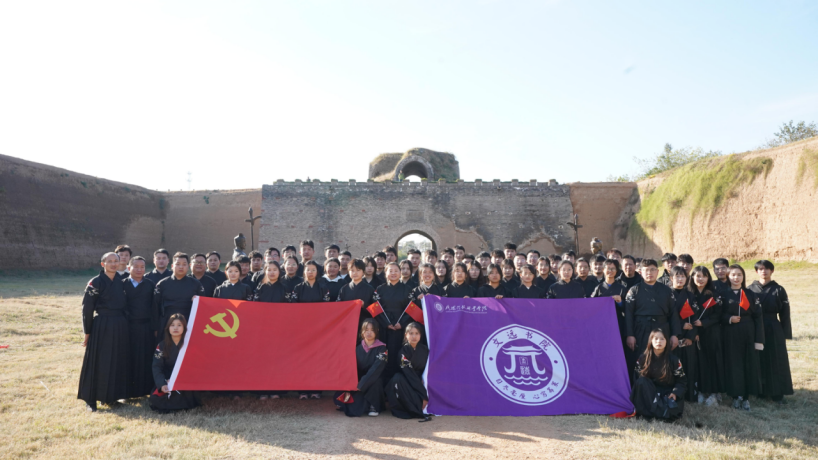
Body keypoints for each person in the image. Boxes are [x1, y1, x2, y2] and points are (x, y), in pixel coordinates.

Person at [78, 252, 129, 412]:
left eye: (116, 261)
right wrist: (88, 331)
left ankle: (110, 397)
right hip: (102, 324)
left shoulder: (123, 281)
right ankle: (90, 400)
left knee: (116, 360)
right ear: (103, 264)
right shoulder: (95, 282)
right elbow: (87, 308)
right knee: (98, 360)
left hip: (120, 324)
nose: (113, 264)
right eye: (110, 261)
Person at [625, 259, 681, 375]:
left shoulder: (667, 290)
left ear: (657, 271)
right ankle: (641, 385)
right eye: (646, 270)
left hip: (662, 328)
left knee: (662, 359)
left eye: (652, 270)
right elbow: (628, 314)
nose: (649, 273)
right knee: (642, 359)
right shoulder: (634, 290)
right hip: (641, 329)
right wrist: (630, 334)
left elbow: (673, 314)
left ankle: (663, 385)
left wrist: (675, 335)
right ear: (640, 272)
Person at [749, 260, 793, 404]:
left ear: (772, 271)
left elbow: (785, 314)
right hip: (755, 327)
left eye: (767, 269)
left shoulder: (779, 289)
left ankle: (777, 393)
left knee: (776, 359)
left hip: (773, 327)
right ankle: (761, 391)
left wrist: (785, 333)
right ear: (756, 271)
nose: (764, 271)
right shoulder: (750, 289)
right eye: (761, 269)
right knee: (758, 358)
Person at [722, 264, 764, 411]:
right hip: (730, 333)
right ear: (728, 276)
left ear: (743, 276)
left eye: (739, 274)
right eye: (733, 275)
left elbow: (758, 317)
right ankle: (735, 396)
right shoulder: (723, 295)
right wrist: (729, 318)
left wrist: (759, 340)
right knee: (734, 365)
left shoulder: (750, 294)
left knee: (748, 364)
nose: (736, 277)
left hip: (748, 332)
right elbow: (717, 315)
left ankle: (746, 398)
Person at [335, 319, 388, 417]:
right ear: (362, 332)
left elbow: (377, 368)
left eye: (372, 330)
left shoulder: (382, 348)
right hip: (359, 379)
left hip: (374, 378)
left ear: (377, 331)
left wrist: (362, 383)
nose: (369, 332)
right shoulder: (357, 348)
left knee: (376, 381)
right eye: (366, 330)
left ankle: (373, 405)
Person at [630, 329, 687, 421]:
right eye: (656, 339)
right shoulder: (643, 358)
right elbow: (637, 380)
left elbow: (681, 381)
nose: (659, 341)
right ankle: (659, 412)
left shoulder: (674, 360)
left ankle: (655, 412)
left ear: (666, 341)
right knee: (641, 381)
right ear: (650, 341)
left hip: (667, 393)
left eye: (662, 339)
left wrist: (675, 393)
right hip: (649, 393)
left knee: (673, 410)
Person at [148, 314, 200, 413]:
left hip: (184, 379)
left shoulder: (190, 345)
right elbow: (157, 366)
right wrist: (162, 384)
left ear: (184, 328)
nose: (175, 328)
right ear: (168, 328)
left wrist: (179, 379)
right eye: (172, 325)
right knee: (156, 399)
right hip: (167, 379)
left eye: (179, 325)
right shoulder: (161, 346)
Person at [688, 266, 725, 406]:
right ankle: (701, 391)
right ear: (692, 277)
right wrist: (694, 332)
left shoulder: (714, 295)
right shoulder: (688, 294)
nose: (701, 279)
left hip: (711, 332)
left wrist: (704, 323)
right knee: (698, 362)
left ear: (708, 278)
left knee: (712, 361)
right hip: (694, 334)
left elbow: (718, 315)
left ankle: (714, 393)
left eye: (704, 276)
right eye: (698, 276)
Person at [374, 263, 415, 381]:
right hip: (384, 327)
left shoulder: (408, 289)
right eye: (390, 271)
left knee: (399, 353)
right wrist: (386, 323)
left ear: (400, 272)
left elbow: (412, 309)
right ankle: (383, 381)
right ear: (385, 273)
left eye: (396, 271)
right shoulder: (380, 289)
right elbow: (376, 309)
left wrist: (402, 324)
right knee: (384, 353)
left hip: (401, 327)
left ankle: (398, 381)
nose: (393, 273)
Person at [123, 256, 156, 399]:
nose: (139, 270)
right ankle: (127, 391)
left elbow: (154, 307)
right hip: (127, 326)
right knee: (128, 357)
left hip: (146, 327)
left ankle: (144, 390)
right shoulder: (122, 284)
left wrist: (154, 327)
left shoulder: (150, 284)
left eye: (142, 267)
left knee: (145, 357)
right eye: (136, 267)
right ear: (128, 268)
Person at [153, 253, 205, 340]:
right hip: (166, 322)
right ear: (172, 266)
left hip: (188, 322)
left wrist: (197, 300)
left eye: (184, 264)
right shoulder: (162, 284)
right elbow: (155, 307)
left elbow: (202, 306)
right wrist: (155, 327)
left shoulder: (196, 284)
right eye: (178, 264)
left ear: (188, 266)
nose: (181, 267)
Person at [386, 323, 430, 420]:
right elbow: (409, 374)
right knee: (397, 378)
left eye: (417, 333)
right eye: (411, 333)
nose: (414, 336)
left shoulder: (425, 350)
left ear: (420, 335)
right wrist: (423, 394)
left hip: (422, 379)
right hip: (408, 380)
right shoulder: (403, 352)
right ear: (406, 335)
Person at [669, 266, 700, 403]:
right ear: (671, 278)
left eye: (683, 276)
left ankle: (690, 395)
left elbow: (695, 317)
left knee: (689, 367)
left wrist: (690, 336)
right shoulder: (667, 294)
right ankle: (673, 394)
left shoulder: (690, 296)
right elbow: (666, 317)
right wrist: (681, 325)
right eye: (677, 276)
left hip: (687, 339)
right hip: (673, 337)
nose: (680, 279)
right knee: (674, 367)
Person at [591, 259, 629, 364]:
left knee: (616, 349)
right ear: (603, 269)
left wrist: (620, 302)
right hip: (601, 325)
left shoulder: (622, 288)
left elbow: (627, 308)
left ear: (617, 271)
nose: (610, 271)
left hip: (617, 323)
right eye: (608, 268)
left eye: (613, 269)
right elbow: (591, 306)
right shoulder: (598, 288)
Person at [338, 259, 376, 338]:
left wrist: (364, 305)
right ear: (348, 272)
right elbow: (338, 307)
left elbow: (375, 309)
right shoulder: (344, 289)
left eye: (358, 270)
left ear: (363, 272)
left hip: (364, 324)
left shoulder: (370, 289)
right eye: (352, 270)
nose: (355, 273)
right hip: (347, 324)